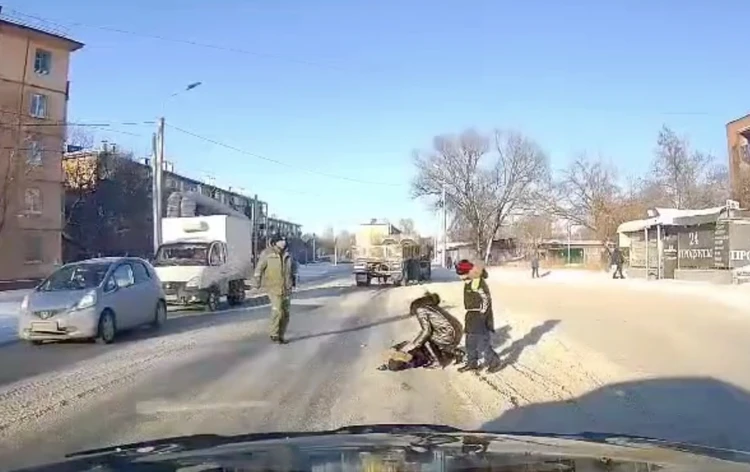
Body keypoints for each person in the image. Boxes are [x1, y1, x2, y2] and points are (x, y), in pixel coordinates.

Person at [456, 260, 501, 373]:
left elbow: (486, 298)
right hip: (470, 314)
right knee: (469, 341)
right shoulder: (469, 281)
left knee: (482, 341)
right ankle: (472, 363)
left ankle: (494, 362)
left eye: (461, 274)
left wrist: (483, 313)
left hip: (479, 315)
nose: (460, 277)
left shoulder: (477, 281)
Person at [253, 233, 297, 344]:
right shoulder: (267, 254)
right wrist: (257, 282)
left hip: (286, 288)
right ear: (275, 242)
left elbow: (293, 269)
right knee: (277, 310)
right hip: (273, 287)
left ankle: (281, 335)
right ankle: (274, 333)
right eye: (281, 240)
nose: (284, 242)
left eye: (284, 240)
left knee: (286, 313)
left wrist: (293, 280)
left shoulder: (289, 254)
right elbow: (259, 269)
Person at [400, 292, 465, 367]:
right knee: (436, 340)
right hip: (456, 330)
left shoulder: (420, 310)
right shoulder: (430, 306)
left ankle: (437, 361)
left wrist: (415, 344)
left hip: (449, 332)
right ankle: (455, 353)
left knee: (427, 340)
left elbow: (426, 331)